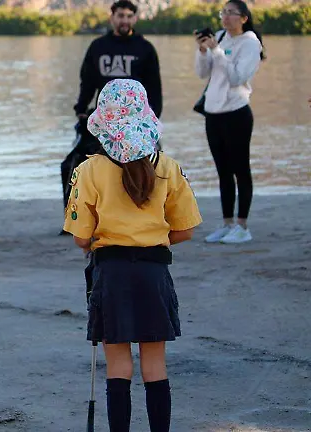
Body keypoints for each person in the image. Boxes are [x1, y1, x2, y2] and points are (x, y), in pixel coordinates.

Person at [63, 79, 202, 432]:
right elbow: (185, 230)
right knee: (155, 367)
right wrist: (152, 237)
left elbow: (81, 239)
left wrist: (105, 235)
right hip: (155, 273)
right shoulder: (168, 168)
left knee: (118, 367)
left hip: (112, 273)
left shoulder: (89, 169)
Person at [195, 0, 264, 244]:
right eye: (223, 12)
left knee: (240, 169)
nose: (225, 17)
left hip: (236, 113)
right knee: (223, 171)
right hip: (213, 113)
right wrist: (203, 51)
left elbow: (237, 78)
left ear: (244, 18)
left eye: (231, 13)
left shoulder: (250, 43)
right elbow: (203, 73)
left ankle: (243, 226)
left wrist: (216, 52)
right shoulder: (221, 36)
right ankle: (227, 224)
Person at [74, 0, 162, 120]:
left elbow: (154, 87)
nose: (125, 21)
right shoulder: (98, 47)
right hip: (105, 116)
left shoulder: (146, 48)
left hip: (135, 117)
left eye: (129, 16)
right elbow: (88, 82)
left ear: (135, 19)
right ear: (112, 18)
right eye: (120, 16)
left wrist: (154, 115)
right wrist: (81, 108)